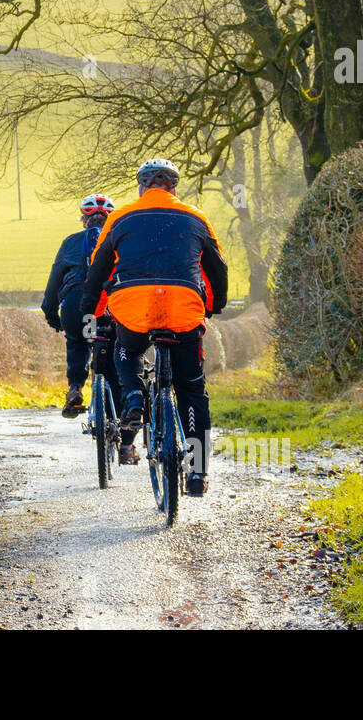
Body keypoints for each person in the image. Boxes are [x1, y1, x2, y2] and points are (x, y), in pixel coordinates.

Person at [80, 158, 228, 495]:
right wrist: (214, 305)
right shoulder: (196, 217)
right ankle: (196, 473)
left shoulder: (120, 217)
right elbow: (217, 268)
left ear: (142, 187)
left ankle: (134, 395)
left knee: (126, 350)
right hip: (183, 307)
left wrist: (91, 309)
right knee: (192, 388)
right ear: (173, 187)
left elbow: (98, 271)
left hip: (134, 307)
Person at [41, 194, 122, 422]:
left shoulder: (70, 242)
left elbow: (54, 281)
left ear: (84, 220)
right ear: (109, 220)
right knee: (116, 354)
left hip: (76, 308)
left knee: (78, 343)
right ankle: (118, 420)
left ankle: (75, 387)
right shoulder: (119, 239)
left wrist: (51, 314)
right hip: (110, 307)